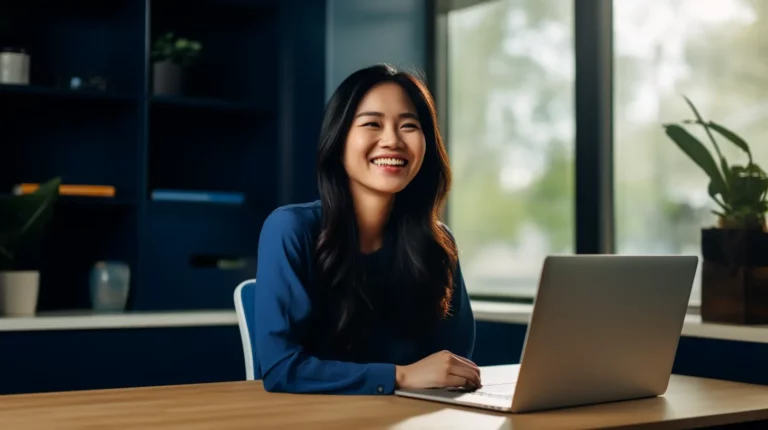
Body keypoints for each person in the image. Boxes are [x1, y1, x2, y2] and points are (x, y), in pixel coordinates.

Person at [252, 64, 479, 395]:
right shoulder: (290, 229)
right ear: (339, 138)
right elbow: (281, 369)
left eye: (409, 126)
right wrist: (399, 376)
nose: (392, 140)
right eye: (372, 123)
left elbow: (454, 363)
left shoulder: (438, 242)